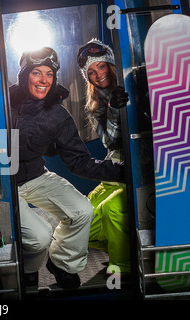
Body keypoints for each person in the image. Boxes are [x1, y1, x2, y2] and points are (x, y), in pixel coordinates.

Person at [10, 46, 125, 289]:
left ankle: (61, 262)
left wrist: (121, 171)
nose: (44, 80)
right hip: (4, 182)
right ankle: (30, 268)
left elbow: (78, 161)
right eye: (36, 73)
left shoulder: (57, 114)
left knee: (82, 210)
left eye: (49, 74)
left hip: (36, 176)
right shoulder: (1, 104)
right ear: (24, 75)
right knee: (39, 237)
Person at [77, 39, 131, 275]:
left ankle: (125, 266)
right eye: (91, 71)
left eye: (101, 66)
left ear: (111, 64)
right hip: (112, 172)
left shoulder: (135, 84)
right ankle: (122, 245)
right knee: (80, 221)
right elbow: (110, 141)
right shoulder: (95, 104)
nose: (98, 75)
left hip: (135, 171)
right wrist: (112, 108)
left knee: (112, 210)